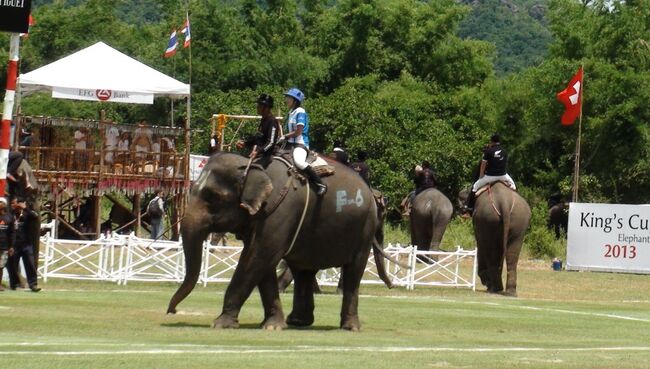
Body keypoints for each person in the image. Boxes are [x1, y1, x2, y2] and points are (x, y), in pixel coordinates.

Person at [278, 88, 327, 196]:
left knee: (299, 162)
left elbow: (298, 131)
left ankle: (320, 184)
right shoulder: (291, 112)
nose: (286, 100)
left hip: (300, 144)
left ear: (295, 100)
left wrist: (284, 136)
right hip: (290, 143)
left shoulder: (300, 112)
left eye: (288, 98)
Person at [465, 134, 516, 213]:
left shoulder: (488, 151)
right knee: (514, 187)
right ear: (499, 141)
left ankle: (469, 208)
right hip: (503, 176)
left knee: (475, 187)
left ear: (492, 141)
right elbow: (504, 164)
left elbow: (483, 165)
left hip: (490, 176)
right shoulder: (505, 151)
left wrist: (481, 175)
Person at [236, 94, 280, 167]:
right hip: (261, 154)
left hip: (268, 156)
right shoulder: (263, 119)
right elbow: (258, 138)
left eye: (259, 105)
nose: (257, 107)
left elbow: (271, 142)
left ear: (266, 107)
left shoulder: (272, 121)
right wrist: (245, 143)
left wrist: (258, 152)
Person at [7, 197, 40, 292]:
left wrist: (25, 208)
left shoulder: (27, 214)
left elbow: (35, 216)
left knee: (30, 264)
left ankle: (33, 284)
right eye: (11, 204)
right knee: (12, 265)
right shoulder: (11, 215)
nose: (12, 205)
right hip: (14, 245)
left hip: (26, 244)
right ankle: (14, 284)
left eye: (14, 203)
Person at [0, 198, 15, 292]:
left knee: (0, 266)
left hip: (4, 246)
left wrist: (12, 246)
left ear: (4, 205)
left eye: (0, 202)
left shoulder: (9, 217)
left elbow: (12, 233)